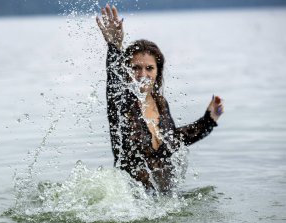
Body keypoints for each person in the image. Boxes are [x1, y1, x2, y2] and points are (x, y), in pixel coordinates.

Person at [96, 4, 224, 193]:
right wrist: (114, 46)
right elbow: (113, 82)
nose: (142, 74)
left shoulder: (161, 104)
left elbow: (174, 140)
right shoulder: (121, 104)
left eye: (149, 68)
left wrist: (208, 121)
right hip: (132, 205)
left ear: (158, 72)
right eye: (135, 68)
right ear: (127, 71)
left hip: (165, 200)